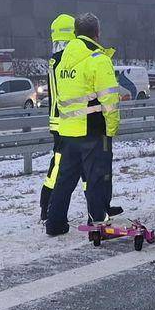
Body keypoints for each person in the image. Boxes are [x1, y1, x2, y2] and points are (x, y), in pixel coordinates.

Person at [43, 13, 123, 238]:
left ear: (76, 33)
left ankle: (55, 224)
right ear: (97, 33)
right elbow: (110, 100)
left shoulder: (62, 60)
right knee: (96, 179)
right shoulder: (97, 59)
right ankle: (99, 226)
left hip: (68, 131)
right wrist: (112, 128)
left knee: (64, 182)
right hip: (93, 130)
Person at [39, 13, 74, 222]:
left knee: (59, 165)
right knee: (60, 166)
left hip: (59, 121)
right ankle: (48, 206)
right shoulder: (63, 60)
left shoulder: (54, 59)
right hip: (65, 123)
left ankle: (47, 205)